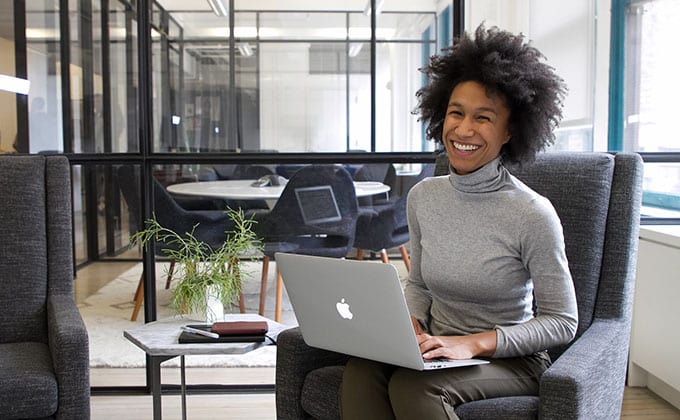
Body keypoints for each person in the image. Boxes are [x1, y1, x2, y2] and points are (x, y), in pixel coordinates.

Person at [340, 24, 578, 419]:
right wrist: (412, 324)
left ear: (510, 131)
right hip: (438, 347)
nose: (464, 130)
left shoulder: (532, 213)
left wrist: (472, 344)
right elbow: (418, 283)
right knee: (362, 371)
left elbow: (561, 322)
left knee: (414, 387)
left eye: (483, 118)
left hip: (512, 359)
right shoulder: (423, 197)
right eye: (456, 112)